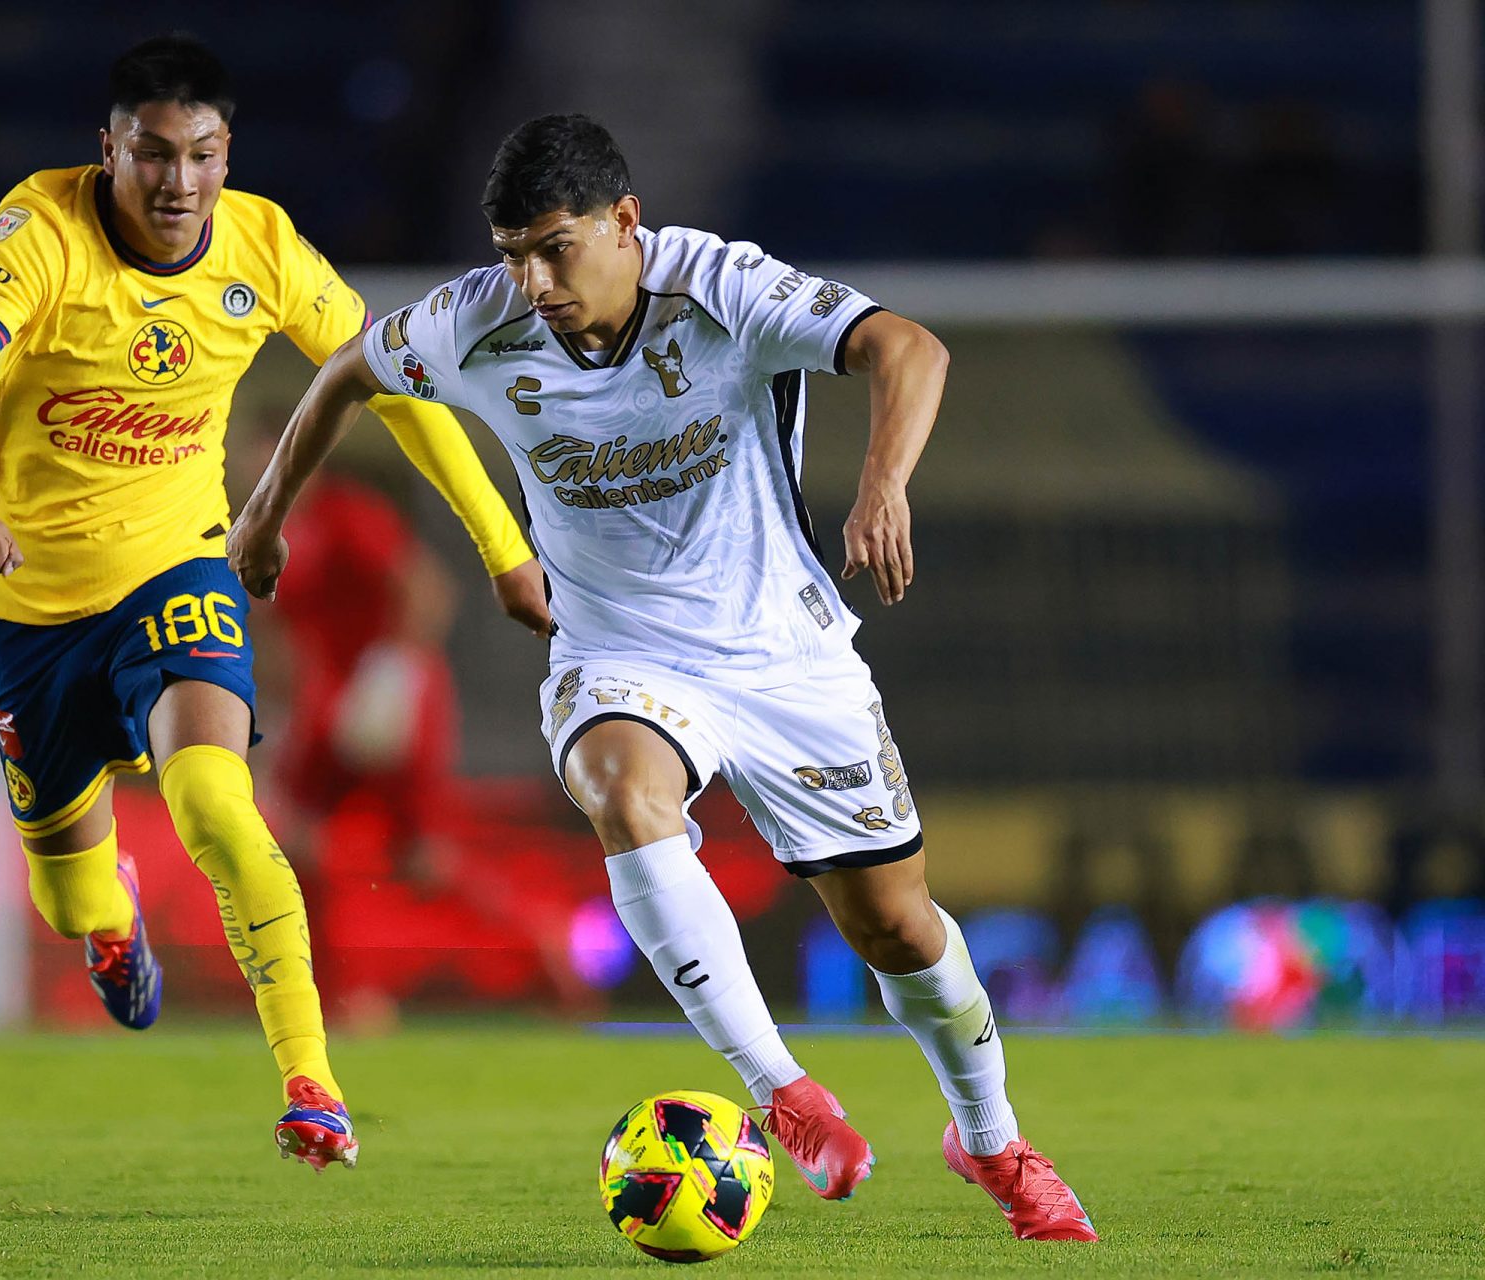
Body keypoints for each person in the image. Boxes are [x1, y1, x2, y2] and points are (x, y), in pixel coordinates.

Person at [229, 114, 1097, 1239]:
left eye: (554, 247)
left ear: (625, 223)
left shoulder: (724, 287)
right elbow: (349, 366)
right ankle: (782, 1089)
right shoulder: (478, 323)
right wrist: (262, 509)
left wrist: (883, 484)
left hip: (782, 651)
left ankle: (991, 1138)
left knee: (896, 927)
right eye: (510, 252)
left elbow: (909, 348)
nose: (531, 279)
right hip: (617, 650)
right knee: (625, 792)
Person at [0, 35, 548, 1173]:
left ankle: (313, 1083)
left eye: (200, 154)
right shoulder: (40, 232)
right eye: (151, 153)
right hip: (32, 606)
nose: (177, 181)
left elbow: (400, 382)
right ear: (109, 149)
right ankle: (109, 926)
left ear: (227, 152)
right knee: (68, 891)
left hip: (180, 572)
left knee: (215, 804)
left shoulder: (264, 246)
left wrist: (502, 544)